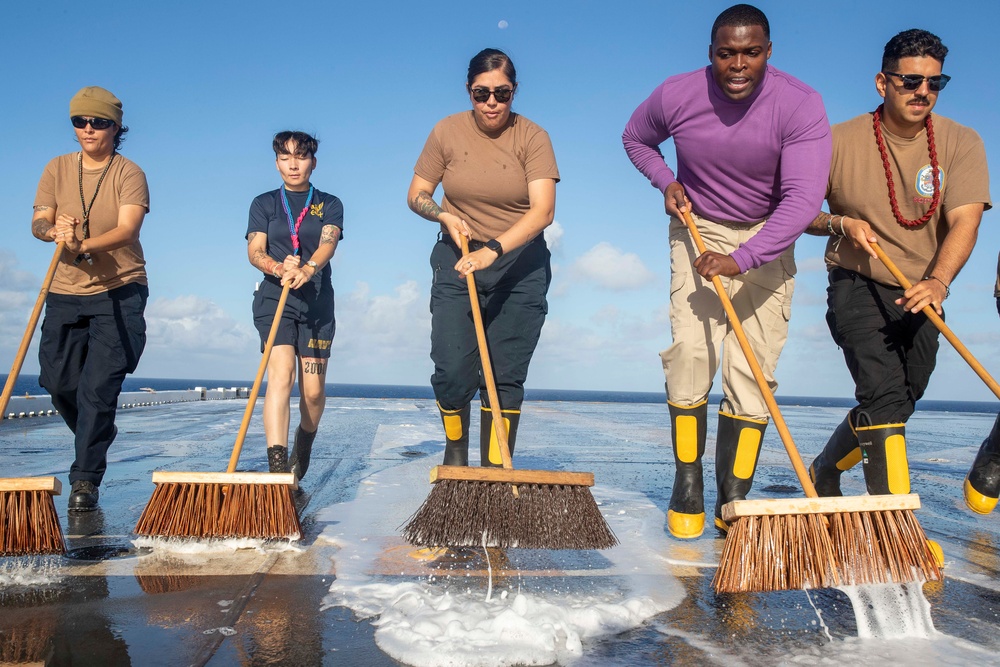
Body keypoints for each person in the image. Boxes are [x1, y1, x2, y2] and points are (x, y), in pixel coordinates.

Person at [622, 4, 831, 538]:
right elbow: (635, 139)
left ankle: (733, 500)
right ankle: (687, 480)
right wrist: (665, 180)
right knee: (692, 352)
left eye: (751, 53)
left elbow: (804, 202)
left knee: (752, 371)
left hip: (769, 232)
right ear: (711, 53)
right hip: (697, 226)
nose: (738, 65)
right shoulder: (677, 93)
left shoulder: (801, 104)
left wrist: (741, 259)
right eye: (726, 53)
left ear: (768, 52)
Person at [805, 30, 991, 504]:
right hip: (857, 282)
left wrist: (938, 280)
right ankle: (895, 527)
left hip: (923, 289)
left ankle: (825, 466)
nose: (922, 92)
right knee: (885, 399)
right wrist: (840, 222)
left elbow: (965, 223)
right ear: (881, 83)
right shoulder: (836, 140)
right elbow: (797, 211)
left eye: (934, 82)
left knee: (900, 400)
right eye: (910, 81)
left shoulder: (962, 141)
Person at [406, 48, 558, 468]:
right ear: (469, 91)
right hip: (457, 259)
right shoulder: (446, 132)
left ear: (514, 91)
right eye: (481, 93)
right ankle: (455, 458)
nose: (492, 103)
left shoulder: (533, 137)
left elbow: (543, 212)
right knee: (453, 370)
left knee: (504, 376)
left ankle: (493, 472)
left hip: (519, 266)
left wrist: (493, 250)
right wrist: (444, 214)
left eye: (502, 93)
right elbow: (416, 194)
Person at [31, 86, 150, 511]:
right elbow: (38, 222)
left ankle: (84, 480)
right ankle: (96, 431)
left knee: (97, 391)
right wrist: (53, 230)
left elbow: (127, 230)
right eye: (79, 121)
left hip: (119, 290)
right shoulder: (56, 168)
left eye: (98, 122)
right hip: (64, 291)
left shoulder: (128, 172)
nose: (87, 129)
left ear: (116, 127)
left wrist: (83, 244)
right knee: (58, 383)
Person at [246, 131, 343, 478]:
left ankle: (304, 442)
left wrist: (308, 267)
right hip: (276, 296)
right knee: (281, 377)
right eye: (285, 157)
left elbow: (328, 244)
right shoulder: (264, 203)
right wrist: (276, 267)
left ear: (312, 162)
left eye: (300, 157)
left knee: (313, 392)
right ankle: (276, 469)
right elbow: (255, 250)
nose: (293, 164)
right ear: (276, 162)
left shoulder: (329, 203)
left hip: (316, 299)